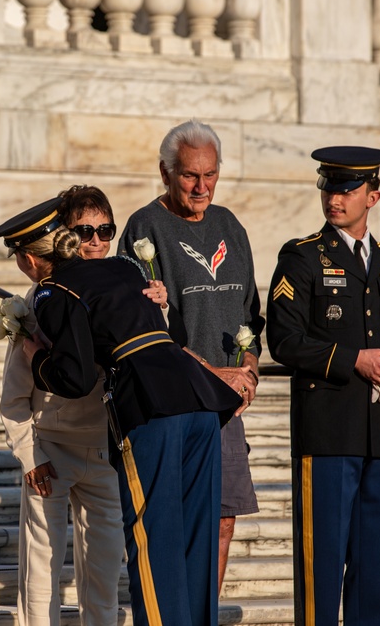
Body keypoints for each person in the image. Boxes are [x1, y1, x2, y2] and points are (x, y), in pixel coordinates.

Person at [0, 198, 242, 626]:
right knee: (195, 538)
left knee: (152, 541)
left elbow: (73, 377)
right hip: (197, 401)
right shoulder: (127, 269)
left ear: (29, 259)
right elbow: (166, 335)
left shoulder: (54, 292)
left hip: (145, 410)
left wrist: (36, 355)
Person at [265, 146, 380, 626]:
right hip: (329, 431)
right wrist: (352, 359)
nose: (333, 197)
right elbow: (285, 340)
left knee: (375, 571)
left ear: (372, 196)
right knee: (322, 572)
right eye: (328, 186)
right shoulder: (301, 257)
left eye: (346, 189)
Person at [0, 185, 165, 626]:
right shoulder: (43, 300)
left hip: (104, 451)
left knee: (105, 571)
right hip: (51, 451)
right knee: (40, 568)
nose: (95, 242)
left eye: (105, 231)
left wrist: (157, 308)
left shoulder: (133, 288)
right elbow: (15, 393)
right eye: (84, 231)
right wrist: (29, 454)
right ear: (63, 239)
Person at [119, 118, 263, 586]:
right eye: (189, 175)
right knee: (177, 523)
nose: (201, 186)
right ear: (165, 172)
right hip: (174, 404)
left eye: (210, 174)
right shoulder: (145, 227)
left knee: (222, 522)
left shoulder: (230, 226)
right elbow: (144, 330)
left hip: (226, 408)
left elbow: (250, 313)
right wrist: (214, 375)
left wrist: (249, 370)